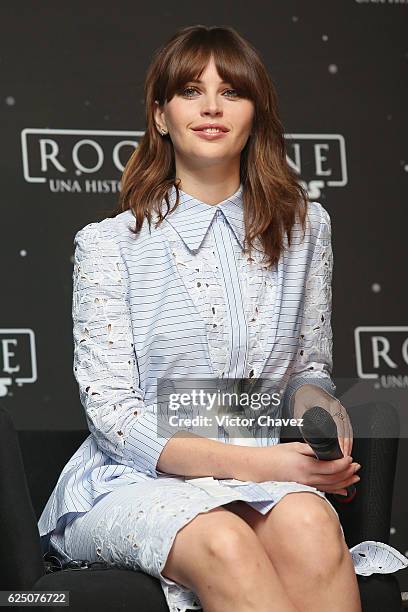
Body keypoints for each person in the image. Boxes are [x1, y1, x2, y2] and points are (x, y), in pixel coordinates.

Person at [38, 25, 407, 612]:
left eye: (231, 92)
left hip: (260, 476)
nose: (211, 107)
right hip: (134, 483)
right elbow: (113, 416)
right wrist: (261, 464)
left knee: (311, 522)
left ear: (256, 112)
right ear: (160, 116)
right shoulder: (110, 244)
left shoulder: (307, 230)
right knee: (226, 541)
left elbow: (307, 370)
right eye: (190, 91)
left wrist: (321, 410)